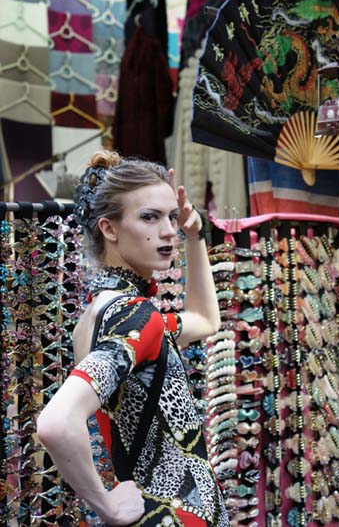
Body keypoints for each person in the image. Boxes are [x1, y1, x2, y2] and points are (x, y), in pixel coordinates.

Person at [37, 150, 229, 526]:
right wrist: (106, 506)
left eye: (172, 217)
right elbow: (56, 423)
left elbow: (205, 320)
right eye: (149, 217)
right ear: (109, 229)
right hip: (177, 512)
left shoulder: (101, 316)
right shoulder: (135, 316)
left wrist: (195, 236)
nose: (168, 230)